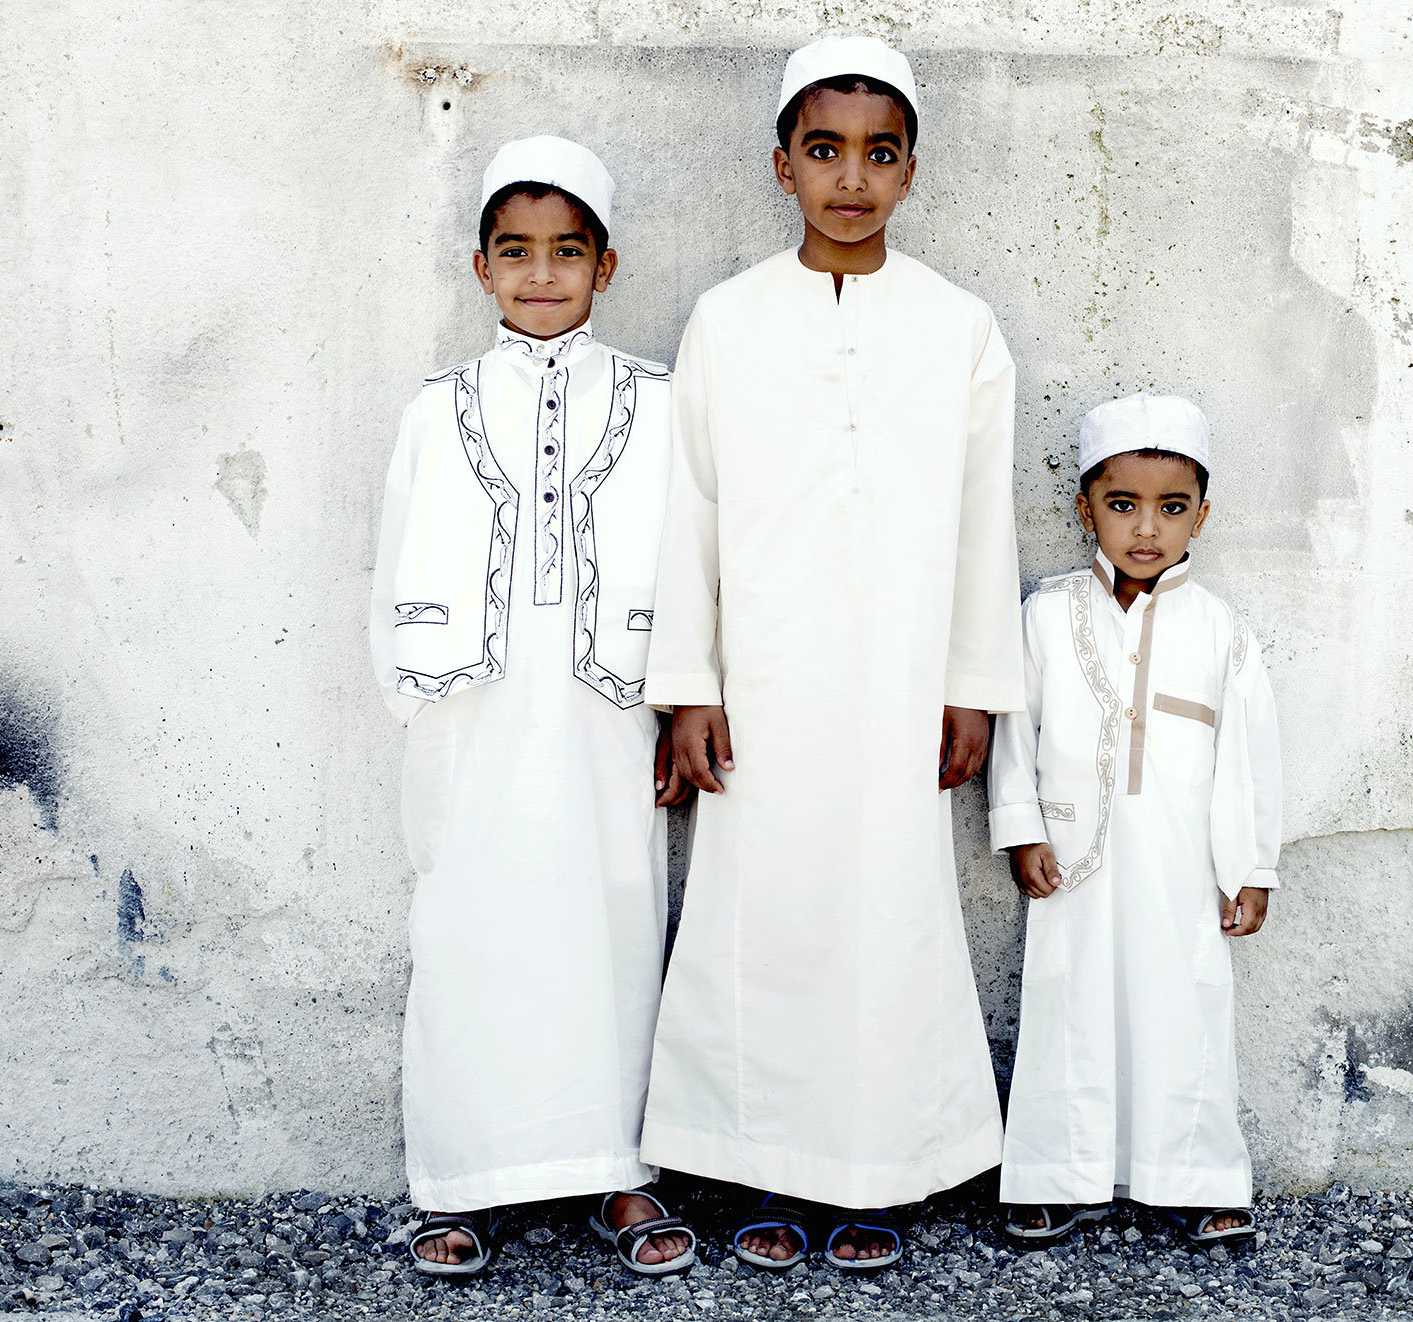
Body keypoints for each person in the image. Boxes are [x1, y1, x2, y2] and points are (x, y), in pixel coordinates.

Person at [641, 35, 1024, 1274]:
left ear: (910, 171)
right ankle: (763, 1166)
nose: (849, 177)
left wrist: (972, 684)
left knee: (888, 912)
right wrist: (686, 686)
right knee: (765, 915)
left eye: (877, 153)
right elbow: (687, 507)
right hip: (763, 678)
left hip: (904, 677)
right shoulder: (727, 318)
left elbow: (982, 520)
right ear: (781, 166)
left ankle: (878, 1173)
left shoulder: (959, 328)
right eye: (823, 151)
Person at [369, 135, 695, 1278]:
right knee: (465, 927)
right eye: (517, 251)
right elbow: (393, 559)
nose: (542, 273)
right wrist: (419, 700)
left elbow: (693, 562)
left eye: (568, 251)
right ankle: (459, 1180)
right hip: (474, 716)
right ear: (480, 268)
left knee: (611, 920)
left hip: (609, 712)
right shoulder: (439, 406)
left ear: (605, 267)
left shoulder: (658, 402)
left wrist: (680, 701)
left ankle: (618, 1170)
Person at [987, 392, 1282, 1246]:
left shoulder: (1219, 630)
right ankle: (1053, 1172)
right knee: (1067, 1000)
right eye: (1123, 505)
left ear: (1202, 516)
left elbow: (1248, 760)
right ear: (1086, 510)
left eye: (1171, 507)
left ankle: (1195, 1177)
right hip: (1073, 853)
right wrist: (1022, 827)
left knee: (1184, 1005)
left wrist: (1251, 868)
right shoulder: (1046, 616)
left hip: (1180, 864)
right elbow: (1014, 730)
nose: (1146, 527)